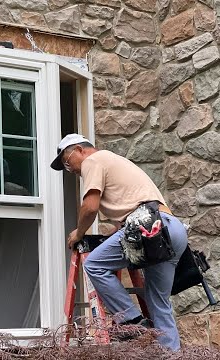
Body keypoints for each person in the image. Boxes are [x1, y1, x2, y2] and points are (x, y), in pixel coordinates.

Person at [50, 133, 188, 351]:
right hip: (172, 229)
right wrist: (115, 233)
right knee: (159, 304)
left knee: (94, 264)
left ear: (79, 150)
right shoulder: (116, 161)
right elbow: (135, 207)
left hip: (147, 226)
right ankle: (171, 355)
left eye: (67, 163)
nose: (72, 170)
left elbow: (90, 207)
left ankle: (131, 323)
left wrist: (78, 233)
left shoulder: (93, 160)